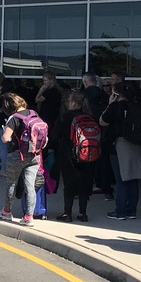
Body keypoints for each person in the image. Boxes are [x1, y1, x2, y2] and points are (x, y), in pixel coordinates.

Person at [100, 82, 141, 221]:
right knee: (133, 178)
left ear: (116, 94)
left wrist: (110, 103)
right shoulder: (138, 106)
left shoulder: (116, 107)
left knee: (121, 179)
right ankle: (131, 210)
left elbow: (102, 121)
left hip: (120, 144)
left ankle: (120, 211)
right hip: (137, 144)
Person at [0, 92, 42, 226]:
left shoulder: (14, 118)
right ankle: (28, 216)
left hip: (18, 154)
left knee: (11, 183)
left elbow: (5, 138)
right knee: (30, 185)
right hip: (34, 154)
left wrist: (8, 137)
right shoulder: (33, 113)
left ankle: (7, 212)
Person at [50, 90, 97, 222]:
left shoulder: (65, 117)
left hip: (68, 155)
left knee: (69, 185)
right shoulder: (90, 117)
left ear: (74, 103)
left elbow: (55, 135)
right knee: (84, 184)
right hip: (88, 155)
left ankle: (67, 213)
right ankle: (83, 213)